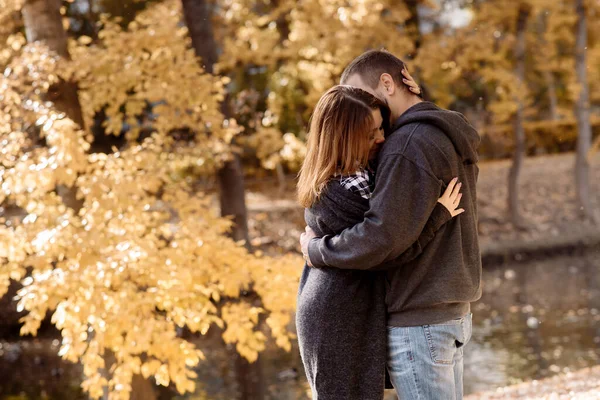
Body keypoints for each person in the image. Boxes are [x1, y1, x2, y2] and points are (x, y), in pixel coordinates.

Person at [300, 50, 482, 400]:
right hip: (446, 307)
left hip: (420, 316)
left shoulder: (407, 145)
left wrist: (315, 250)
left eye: (364, 95)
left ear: (387, 83)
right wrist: (420, 99)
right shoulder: (442, 132)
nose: (362, 105)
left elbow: (381, 238)